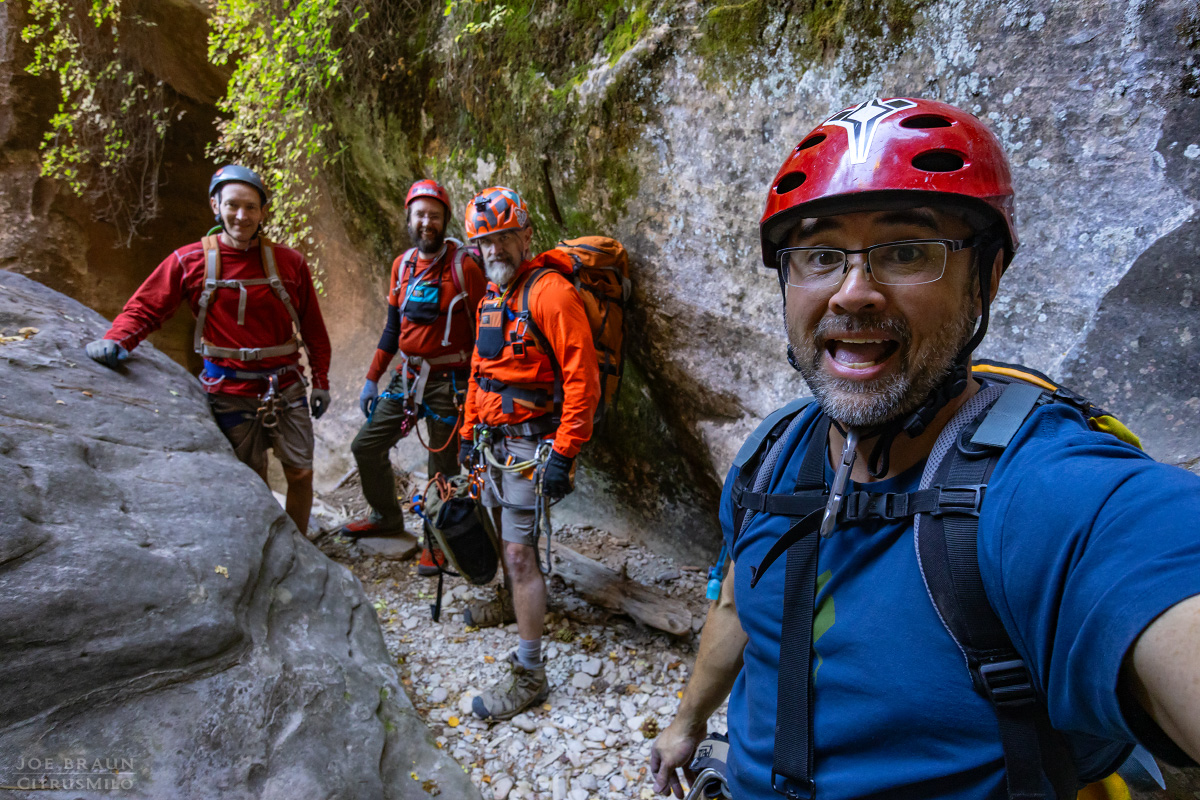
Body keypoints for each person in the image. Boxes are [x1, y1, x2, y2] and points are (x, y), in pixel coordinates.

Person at [650, 97, 1200, 799]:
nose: (854, 293)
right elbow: (737, 603)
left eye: (907, 251)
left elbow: (1150, 558)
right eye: (820, 255)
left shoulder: (1044, 494)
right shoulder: (773, 451)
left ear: (987, 278)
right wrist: (686, 724)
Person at [86, 165, 332, 534]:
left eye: (251, 207)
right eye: (233, 205)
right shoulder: (190, 261)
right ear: (215, 206)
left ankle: (300, 549)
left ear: (263, 212)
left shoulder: (289, 263)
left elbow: (313, 329)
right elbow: (147, 307)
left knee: (300, 472)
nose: (241, 216)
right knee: (251, 479)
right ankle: (266, 548)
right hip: (228, 391)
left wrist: (322, 381)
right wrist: (118, 338)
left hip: (284, 387)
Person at [458, 186, 600, 720]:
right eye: (483, 242)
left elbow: (582, 379)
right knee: (500, 532)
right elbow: (480, 371)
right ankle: (509, 600)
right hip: (495, 444)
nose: (493, 250)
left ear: (525, 235)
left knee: (519, 554)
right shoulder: (494, 297)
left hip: (529, 446)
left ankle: (529, 672)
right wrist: (470, 431)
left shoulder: (549, 294)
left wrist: (564, 452)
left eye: (501, 238)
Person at [339, 180, 486, 574]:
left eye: (434, 216)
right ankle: (386, 515)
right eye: (420, 214)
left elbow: (485, 329)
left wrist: (478, 388)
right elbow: (392, 328)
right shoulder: (402, 266)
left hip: (451, 382)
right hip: (408, 376)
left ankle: (438, 542)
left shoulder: (465, 267)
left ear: (445, 221)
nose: (426, 222)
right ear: (409, 217)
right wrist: (372, 378)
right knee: (366, 446)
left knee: (443, 469)